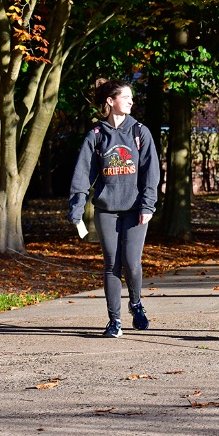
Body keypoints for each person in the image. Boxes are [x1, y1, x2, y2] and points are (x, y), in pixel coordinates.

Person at [68, 79, 161, 337]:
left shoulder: (140, 133)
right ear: (110, 101)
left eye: (132, 97)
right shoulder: (96, 136)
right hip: (106, 210)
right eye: (126, 97)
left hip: (135, 210)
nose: (131, 101)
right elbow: (83, 175)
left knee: (131, 263)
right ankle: (115, 321)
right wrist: (77, 208)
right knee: (111, 264)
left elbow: (150, 173)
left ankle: (136, 303)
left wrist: (148, 204)